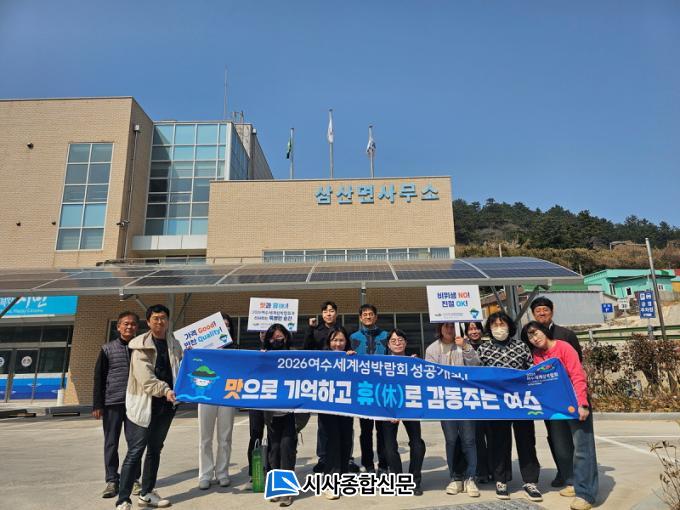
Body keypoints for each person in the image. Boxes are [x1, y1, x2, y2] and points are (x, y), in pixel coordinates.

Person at [522, 321, 598, 510]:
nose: (534, 338)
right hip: (557, 407)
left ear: (544, 331)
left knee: (583, 450)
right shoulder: (537, 355)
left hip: (575, 403)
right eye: (530, 336)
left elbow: (577, 375)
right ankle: (572, 481)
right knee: (562, 448)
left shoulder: (564, 347)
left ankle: (586, 494)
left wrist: (582, 403)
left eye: (535, 333)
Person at [114, 304, 183, 510]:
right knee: (135, 451)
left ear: (168, 321)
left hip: (166, 405)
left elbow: (181, 368)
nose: (160, 322)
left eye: (163, 318)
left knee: (155, 449)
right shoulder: (139, 346)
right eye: (155, 318)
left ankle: (146, 493)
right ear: (148, 322)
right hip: (144, 404)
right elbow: (146, 379)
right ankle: (123, 499)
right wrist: (166, 389)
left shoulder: (175, 344)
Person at [477, 311, 542, 502]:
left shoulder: (521, 347)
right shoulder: (483, 349)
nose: (499, 328)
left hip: (521, 403)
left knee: (526, 441)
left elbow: (531, 371)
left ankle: (531, 481)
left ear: (509, 326)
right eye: (495, 325)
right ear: (489, 328)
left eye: (502, 324)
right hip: (497, 404)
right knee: (499, 442)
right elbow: (476, 376)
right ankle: (501, 480)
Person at [530, 296, 583, 488]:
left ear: (552, 311)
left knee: (576, 437)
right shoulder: (531, 335)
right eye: (538, 310)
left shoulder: (566, 335)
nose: (542, 313)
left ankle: (579, 475)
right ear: (533, 314)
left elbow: (578, 363)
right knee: (554, 436)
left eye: (545, 309)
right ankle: (563, 471)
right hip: (550, 399)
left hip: (570, 395)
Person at [425, 322, 480, 498]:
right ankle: (456, 477)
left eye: (452, 326)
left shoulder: (464, 345)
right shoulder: (432, 349)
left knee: (469, 439)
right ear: (440, 328)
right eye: (446, 326)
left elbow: (476, 365)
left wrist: (465, 347)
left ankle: (470, 477)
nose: (449, 329)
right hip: (445, 401)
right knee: (451, 440)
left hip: (466, 400)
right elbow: (429, 374)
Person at [93, 311, 142, 499]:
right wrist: (98, 404)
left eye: (133, 324)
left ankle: (133, 479)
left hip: (135, 403)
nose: (129, 326)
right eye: (125, 323)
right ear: (118, 327)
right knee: (111, 442)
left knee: (135, 444)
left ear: (137, 327)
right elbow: (99, 377)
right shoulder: (107, 349)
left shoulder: (141, 348)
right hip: (112, 403)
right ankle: (112, 480)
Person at [381, 329, 426, 496]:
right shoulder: (381, 364)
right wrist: (391, 411)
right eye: (393, 341)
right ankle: (399, 481)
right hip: (388, 409)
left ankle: (415, 480)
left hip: (410, 408)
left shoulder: (414, 362)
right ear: (388, 345)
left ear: (406, 343)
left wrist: (418, 366)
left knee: (417, 444)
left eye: (400, 340)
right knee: (389, 447)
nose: (397, 343)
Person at [197, 313, 237, 490]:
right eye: (221, 324)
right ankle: (205, 474)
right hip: (206, 395)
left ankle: (222, 472)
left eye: (227, 325)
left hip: (227, 395)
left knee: (225, 437)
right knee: (205, 437)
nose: (225, 327)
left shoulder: (235, 349)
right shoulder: (202, 348)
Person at [349, 304, 389, 473]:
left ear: (376, 317)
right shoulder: (353, 337)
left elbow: (394, 356)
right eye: (364, 314)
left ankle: (384, 464)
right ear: (360, 318)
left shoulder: (386, 336)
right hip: (363, 389)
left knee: (382, 430)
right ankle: (368, 464)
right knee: (365, 430)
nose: (368, 316)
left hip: (382, 388)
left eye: (370, 314)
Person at [318, 327, 355, 500]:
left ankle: (343, 477)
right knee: (332, 443)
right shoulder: (321, 358)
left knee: (346, 441)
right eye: (334, 340)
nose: (338, 344)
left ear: (346, 342)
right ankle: (330, 482)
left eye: (341, 340)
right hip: (327, 407)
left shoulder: (352, 357)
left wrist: (354, 360)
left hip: (346, 407)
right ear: (329, 342)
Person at [263, 323, 297, 507]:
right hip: (272, 415)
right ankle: (276, 488)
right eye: (272, 338)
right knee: (274, 451)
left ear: (286, 336)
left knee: (286, 449)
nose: (276, 340)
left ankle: (287, 491)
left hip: (291, 413)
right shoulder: (264, 357)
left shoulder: (295, 355)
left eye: (279, 337)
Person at [304, 301, 339, 474]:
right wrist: (310, 329)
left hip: (340, 382)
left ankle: (345, 458)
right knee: (323, 423)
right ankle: (323, 458)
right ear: (322, 314)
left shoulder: (342, 330)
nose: (328, 314)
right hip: (322, 383)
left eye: (331, 311)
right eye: (325, 311)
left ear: (336, 313)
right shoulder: (316, 331)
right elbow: (306, 350)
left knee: (344, 422)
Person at [464, 321, 493, 484]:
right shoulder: (462, 347)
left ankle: (495, 469)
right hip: (472, 398)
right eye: (470, 329)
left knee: (493, 435)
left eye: (476, 328)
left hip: (490, 396)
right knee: (477, 437)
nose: (474, 331)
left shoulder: (490, 346)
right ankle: (482, 471)